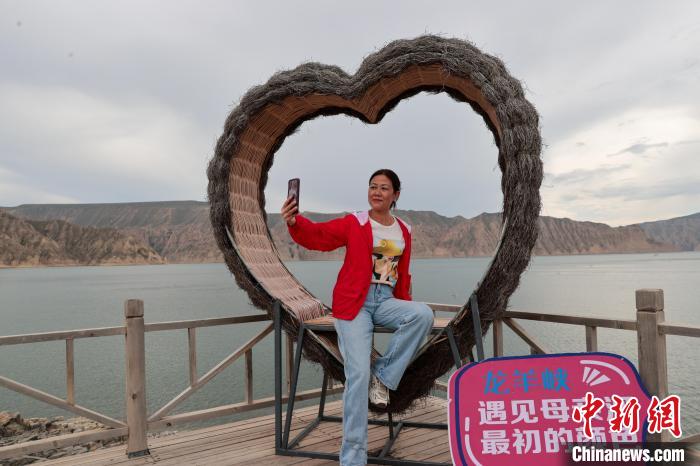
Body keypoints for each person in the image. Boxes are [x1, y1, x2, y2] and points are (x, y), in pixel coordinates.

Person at [281, 169, 434, 466]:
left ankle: (384, 377)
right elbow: (320, 236)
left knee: (422, 315)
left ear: (396, 195)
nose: (376, 192)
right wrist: (294, 222)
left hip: (386, 300)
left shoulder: (405, 229)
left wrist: (403, 297)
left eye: (384, 188)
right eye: (372, 186)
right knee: (358, 375)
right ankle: (353, 458)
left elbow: (402, 271)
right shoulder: (356, 222)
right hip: (355, 303)